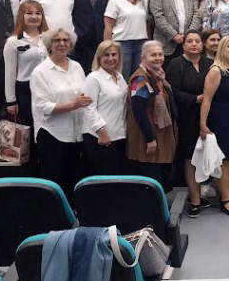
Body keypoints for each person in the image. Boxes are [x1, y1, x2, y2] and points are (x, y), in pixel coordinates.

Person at [30, 28, 91, 199]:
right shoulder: (40, 72)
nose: (62, 43)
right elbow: (43, 106)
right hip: (52, 134)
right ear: (49, 44)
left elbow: (84, 94)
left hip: (76, 134)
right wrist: (73, 105)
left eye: (66, 40)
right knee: (56, 184)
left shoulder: (77, 66)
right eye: (57, 40)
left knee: (75, 181)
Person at [166, 30, 213, 217]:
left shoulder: (209, 63)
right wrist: (195, 99)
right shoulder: (176, 64)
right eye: (190, 41)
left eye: (197, 41)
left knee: (205, 157)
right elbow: (173, 91)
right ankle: (194, 200)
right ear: (183, 45)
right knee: (191, 158)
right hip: (187, 118)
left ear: (202, 45)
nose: (194, 44)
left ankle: (201, 193)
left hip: (209, 116)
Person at [200, 35, 229, 217]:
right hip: (221, 121)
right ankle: (225, 199)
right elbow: (207, 99)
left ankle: (227, 193)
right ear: (222, 49)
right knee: (224, 161)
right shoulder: (216, 70)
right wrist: (203, 124)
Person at [127, 40, 178, 189]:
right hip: (147, 136)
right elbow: (139, 111)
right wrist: (150, 139)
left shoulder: (158, 75)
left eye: (160, 54)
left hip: (160, 134)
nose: (158, 58)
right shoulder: (140, 79)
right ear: (143, 57)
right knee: (150, 180)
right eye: (153, 55)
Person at [83, 40, 127, 176]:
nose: (111, 58)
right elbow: (88, 107)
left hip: (119, 135)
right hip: (100, 138)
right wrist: (101, 131)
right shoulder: (93, 78)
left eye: (114, 54)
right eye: (106, 55)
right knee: (104, 179)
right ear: (99, 57)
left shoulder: (119, 77)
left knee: (117, 178)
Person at [4, 0, 48, 128]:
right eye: (29, 13)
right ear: (21, 16)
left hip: (48, 87)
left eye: (38, 13)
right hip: (25, 91)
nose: (34, 16)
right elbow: (10, 74)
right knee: (30, 128)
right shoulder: (13, 42)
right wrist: (11, 101)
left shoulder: (49, 38)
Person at [150, 0, 202, 67]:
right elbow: (158, 17)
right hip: (166, 43)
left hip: (186, 44)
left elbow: (196, 15)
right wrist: (174, 35)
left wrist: (188, 36)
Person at [103, 0, 148, 79]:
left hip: (140, 44)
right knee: (122, 77)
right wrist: (108, 48)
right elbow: (108, 27)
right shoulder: (115, 1)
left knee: (138, 80)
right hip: (122, 45)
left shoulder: (141, 1)